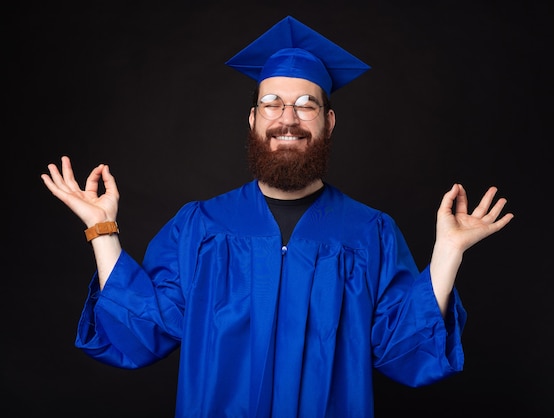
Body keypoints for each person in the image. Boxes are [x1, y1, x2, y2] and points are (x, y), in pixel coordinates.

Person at [41, 16, 513, 418]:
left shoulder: (370, 233)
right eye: (271, 104)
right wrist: (102, 230)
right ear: (252, 121)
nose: (288, 117)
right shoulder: (201, 226)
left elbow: (404, 351)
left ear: (328, 122)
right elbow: (141, 333)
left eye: (307, 105)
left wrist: (447, 252)